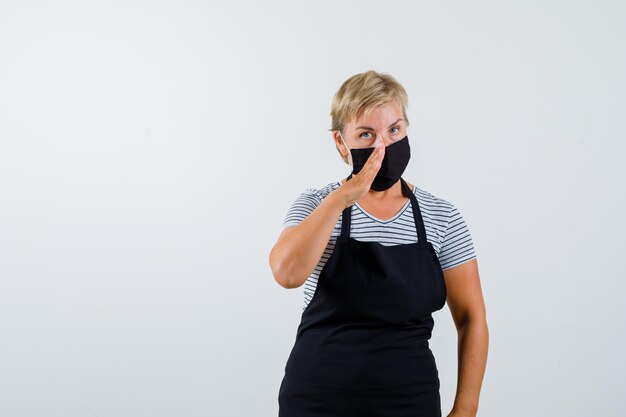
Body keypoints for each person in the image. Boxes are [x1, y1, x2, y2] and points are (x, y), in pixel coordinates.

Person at [269, 70, 488, 417]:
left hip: (409, 403)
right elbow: (287, 273)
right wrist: (343, 198)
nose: (382, 147)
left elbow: (471, 317)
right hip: (315, 401)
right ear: (342, 143)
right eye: (366, 134)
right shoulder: (315, 205)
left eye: (394, 130)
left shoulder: (441, 217)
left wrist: (467, 408)